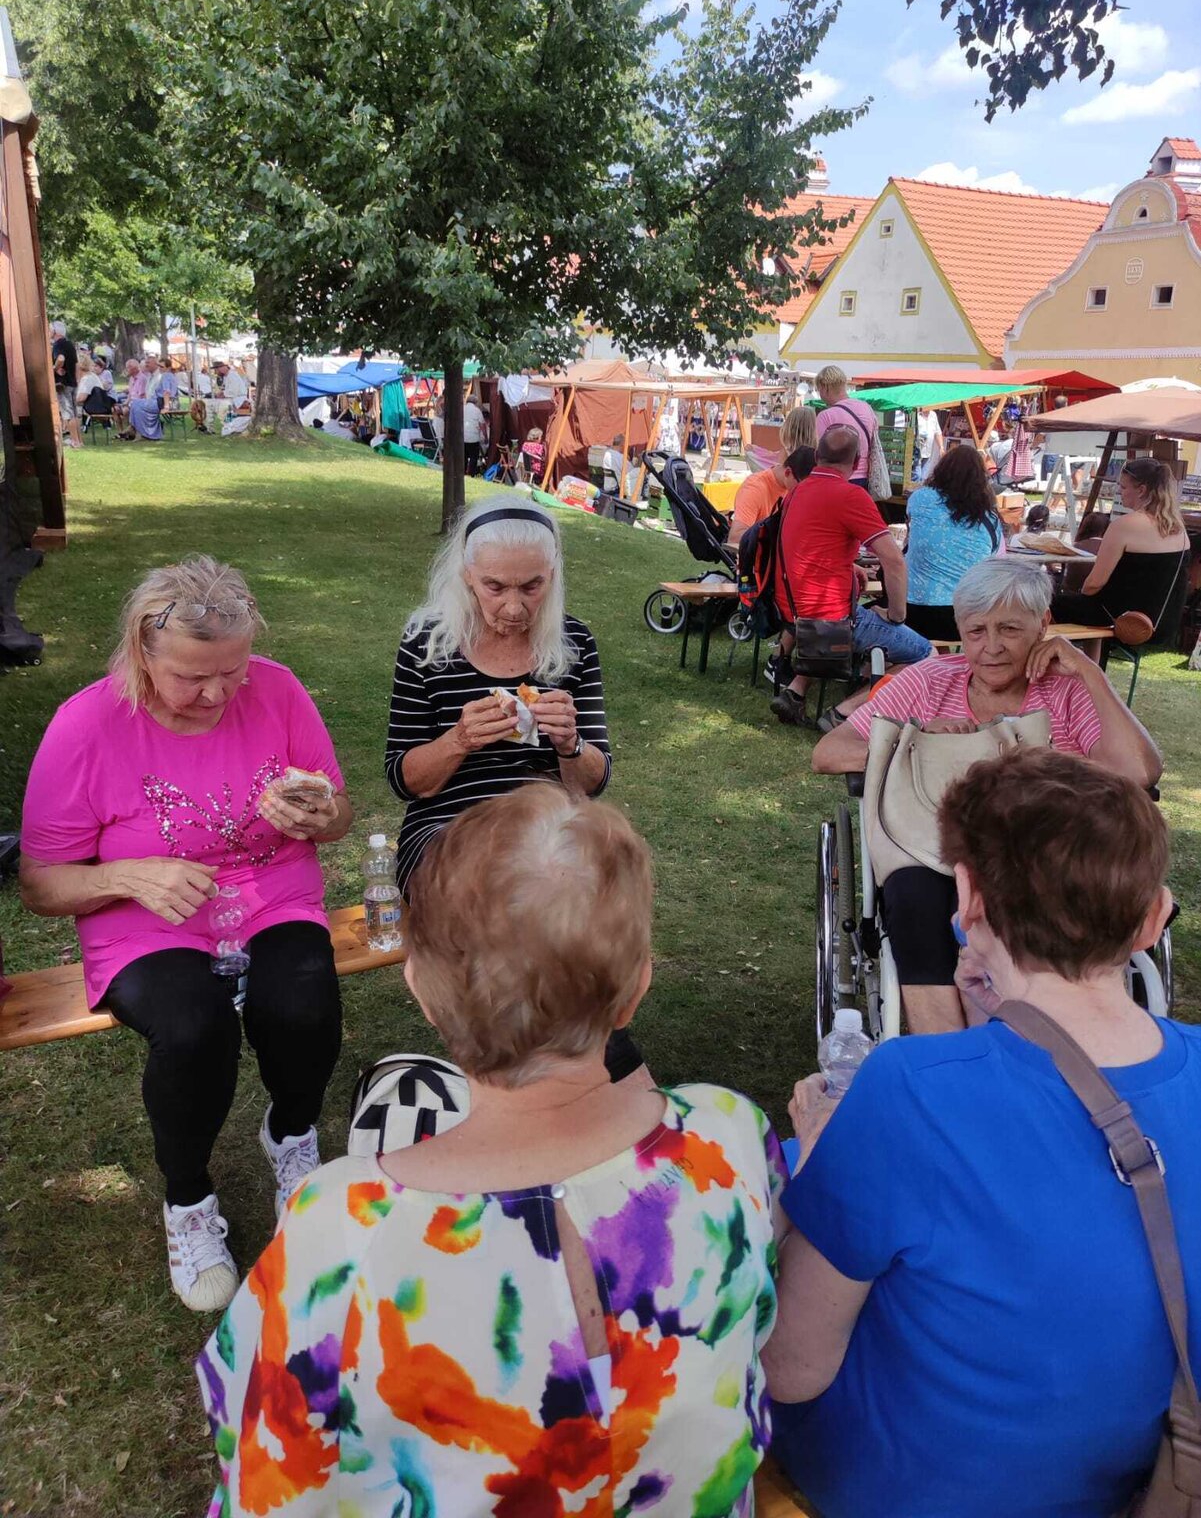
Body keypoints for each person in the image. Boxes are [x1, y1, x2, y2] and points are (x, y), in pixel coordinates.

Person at [197, 783, 788, 1518]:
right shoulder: (730, 1135)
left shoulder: (343, 1225)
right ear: (637, 988)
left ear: (419, 987)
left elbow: (269, 1476)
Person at [765, 749, 1197, 1518]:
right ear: (1150, 917)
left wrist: (819, 1155)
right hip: (1120, 1482)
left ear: (965, 896)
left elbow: (789, 1370)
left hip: (895, 1489)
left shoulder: (909, 1090)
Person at [19, 557, 354, 1311]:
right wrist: (126, 876)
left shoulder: (278, 689)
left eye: (233, 672)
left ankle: (292, 1137)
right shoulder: (87, 725)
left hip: (269, 893)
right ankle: (189, 1201)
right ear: (142, 654)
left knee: (302, 1004)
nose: (218, 694)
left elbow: (338, 814)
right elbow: (41, 883)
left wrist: (320, 814)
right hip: (146, 917)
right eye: (193, 678)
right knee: (193, 1029)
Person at [812, 556, 1162, 1034]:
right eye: (976, 631)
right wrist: (915, 738)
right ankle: (945, 1048)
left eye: (1010, 629)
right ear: (959, 629)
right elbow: (829, 753)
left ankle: (1035, 1039)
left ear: (1043, 625)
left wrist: (1089, 671)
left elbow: (1138, 772)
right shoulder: (928, 682)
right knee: (913, 899)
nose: (991, 647)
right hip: (930, 850)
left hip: (1044, 853)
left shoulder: (1066, 690)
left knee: (1043, 899)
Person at [386, 492, 611, 896]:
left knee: (583, 884)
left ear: (552, 575)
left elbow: (592, 784)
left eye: (532, 586)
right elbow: (404, 781)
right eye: (495, 586)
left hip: (547, 827)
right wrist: (459, 740)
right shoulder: (426, 643)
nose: (513, 608)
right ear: (467, 574)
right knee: (486, 890)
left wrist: (570, 744)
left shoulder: (574, 642)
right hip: (446, 825)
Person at [770, 425, 931, 727]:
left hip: (792, 611)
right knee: (925, 654)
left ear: (816, 457)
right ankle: (846, 711)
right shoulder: (850, 496)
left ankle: (795, 692)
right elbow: (894, 561)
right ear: (858, 462)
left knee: (839, 621)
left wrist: (848, 565)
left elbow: (807, 545)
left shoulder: (798, 490)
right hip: (831, 619)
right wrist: (896, 615)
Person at [1052, 457, 1190, 643]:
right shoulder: (1179, 529)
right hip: (1163, 623)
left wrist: (1078, 594)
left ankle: (1048, 655)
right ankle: (1092, 657)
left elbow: (1094, 584)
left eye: (1123, 487)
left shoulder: (1123, 525)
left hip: (1122, 620)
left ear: (1141, 490)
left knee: (1044, 603)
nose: (1119, 491)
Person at [904, 442, 1005, 641]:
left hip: (913, 613)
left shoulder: (921, 498)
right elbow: (995, 564)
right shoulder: (990, 520)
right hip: (966, 619)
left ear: (941, 470)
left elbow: (912, 532)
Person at [728, 407, 816, 545]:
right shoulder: (756, 487)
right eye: (801, 484)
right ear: (788, 473)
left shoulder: (800, 486)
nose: (803, 490)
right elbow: (735, 538)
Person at [814, 364, 876, 489]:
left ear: (825, 388)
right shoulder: (867, 408)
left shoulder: (826, 416)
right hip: (865, 477)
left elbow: (821, 453)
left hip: (836, 478)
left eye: (819, 390)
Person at [50, 319, 83, 449]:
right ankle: (79, 440)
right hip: (72, 382)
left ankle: (75, 441)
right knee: (74, 413)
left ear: (55, 332)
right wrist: (76, 380)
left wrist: (53, 368)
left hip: (62, 384)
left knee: (67, 414)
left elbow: (60, 358)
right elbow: (77, 364)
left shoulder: (58, 345)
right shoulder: (70, 345)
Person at [130, 357, 164, 440]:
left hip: (159, 402)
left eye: (148, 363)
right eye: (146, 363)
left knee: (136, 404)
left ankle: (138, 431)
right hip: (150, 402)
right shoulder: (149, 377)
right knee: (135, 404)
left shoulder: (160, 377)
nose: (146, 365)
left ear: (155, 364)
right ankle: (138, 431)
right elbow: (147, 393)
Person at [75, 357, 117, 425]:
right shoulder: (92, 376)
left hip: (95, 407)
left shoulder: (87, 379)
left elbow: (81, 398)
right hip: (101, 405)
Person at [463, 394, 488, 477]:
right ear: (475, 402)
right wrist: (486, 437)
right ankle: (471, 474)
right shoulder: (477, 411)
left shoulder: (462, 409)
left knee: (464, 457)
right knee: (473, 457)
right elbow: (482, 425)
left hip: (463, 437)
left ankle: (463, 472)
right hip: (473, 438)